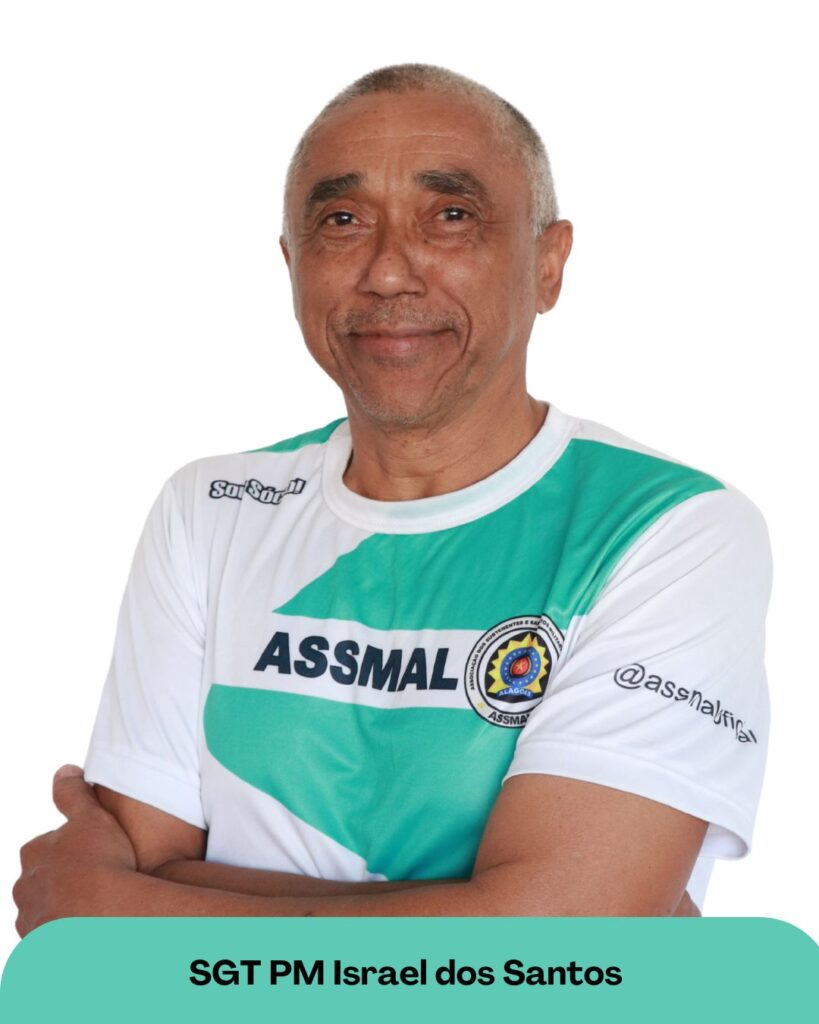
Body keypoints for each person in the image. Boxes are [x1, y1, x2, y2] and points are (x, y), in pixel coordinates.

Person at [13, 63, 771, 934]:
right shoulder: (210, 509)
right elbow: (545, 944)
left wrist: (129, 909)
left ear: (548, 263)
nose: (386, 273)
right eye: (341, 221)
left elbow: (557, 940)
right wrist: (501, 916)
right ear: (292, 265)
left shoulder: (669, 530)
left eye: (450, 216)